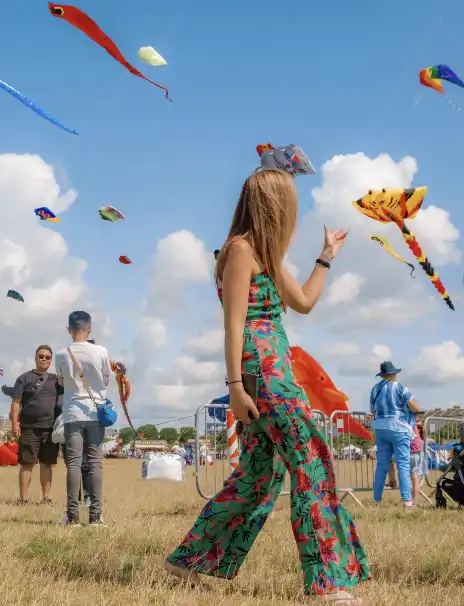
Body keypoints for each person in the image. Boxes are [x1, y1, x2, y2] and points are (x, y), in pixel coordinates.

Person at [164, 170, 370, 604]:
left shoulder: (267, 255)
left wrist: (326, 255)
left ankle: (186, 563)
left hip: (274, 366)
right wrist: (235, 387)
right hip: (263, 371)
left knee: (260, 474)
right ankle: (328, 581)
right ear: (274, 206)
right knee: (310, 461)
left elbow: (306, 303)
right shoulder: (240, 251)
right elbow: (233, 324)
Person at [55, 310, 110, 527]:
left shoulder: (61, 354)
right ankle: (96, 517)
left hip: (72, 413)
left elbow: (60, 381)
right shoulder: (101, 351)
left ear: (69, 330)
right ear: (90, 329)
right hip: (96, 413)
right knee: (95, 464)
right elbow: (105, 382)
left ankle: (72, 516)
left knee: (74, 464)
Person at [10, 344, 62, 504]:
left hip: (49, 429)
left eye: (47, 357)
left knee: (47, 464)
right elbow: (16, 402)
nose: (44, 359)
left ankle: (46, 498)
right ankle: (23, 498)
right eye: (41, 356)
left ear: (51, 360)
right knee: (27, 464)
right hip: (28, 427)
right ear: (35, 358)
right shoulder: (23, 378)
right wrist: (14, 424)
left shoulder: (56, 380)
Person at [370, 361, 421, 510]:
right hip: (399, 428)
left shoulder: (375, 388)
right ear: (393, 374)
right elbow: (415, 406)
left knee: (381, 466)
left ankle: (376, 501)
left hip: (380, 428)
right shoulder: (399, 387)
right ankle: (407, 503)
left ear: (382, 374)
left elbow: (372, 410)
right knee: (403, 466)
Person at [410, 414, 426, 505]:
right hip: (418, 454)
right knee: (415, 478)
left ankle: (413, 501)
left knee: (413, 478)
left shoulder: (411, 426)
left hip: (411, 453)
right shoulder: (419, 430)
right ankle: (414, 500)